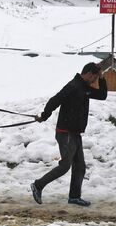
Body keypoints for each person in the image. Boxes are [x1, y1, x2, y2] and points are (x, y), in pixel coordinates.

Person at [31, 62, 107, 206]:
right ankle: (38, 185)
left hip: (75, 133)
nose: (95, 81)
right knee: (65, 165)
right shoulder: (73, 86)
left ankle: (74, 197)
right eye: (95, 78)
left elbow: (102, 95)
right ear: (89, 74)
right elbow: (55, 100)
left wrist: (102, 77)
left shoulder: (85, 88)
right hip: (65, 133)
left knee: (80, 166)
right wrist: (44, 116)